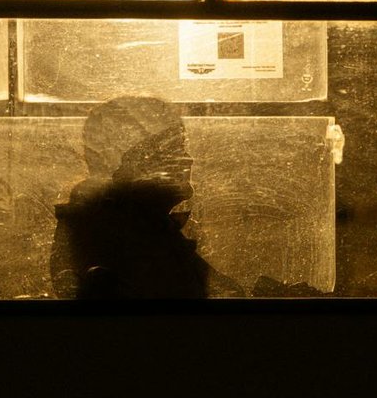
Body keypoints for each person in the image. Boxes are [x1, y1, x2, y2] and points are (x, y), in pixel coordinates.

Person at [50, 95, 241, 299]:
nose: (188, 159)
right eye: (174, 149)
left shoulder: (141, 225)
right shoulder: (127, 236)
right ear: (130, 161)